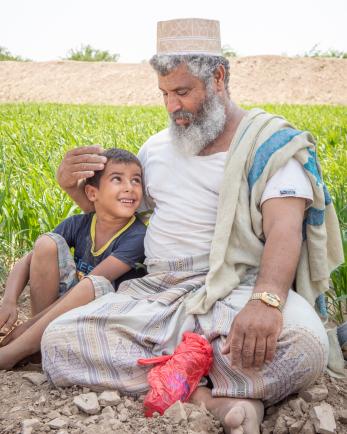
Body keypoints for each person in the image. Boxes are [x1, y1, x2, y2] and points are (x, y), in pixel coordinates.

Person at [36, 19, 343, 434]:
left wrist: (267, 302)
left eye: (182, 92)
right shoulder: (156, 149)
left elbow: (285, 230)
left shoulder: (267, 145)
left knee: (304, 347)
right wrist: (72, 189)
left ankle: (170, 378)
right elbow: (118, 213)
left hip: (237, 292)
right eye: (164, 94)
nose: (172, 106)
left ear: (217, 77)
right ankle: (210, 397)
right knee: (59, 342)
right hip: (159, 295)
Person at [0, 148, 146, 368]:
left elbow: (91, 286)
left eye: (136, 180)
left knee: (93, 283)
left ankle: (22, 348)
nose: (129, 187)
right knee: (46, 243)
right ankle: (38, 345)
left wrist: (24, 330)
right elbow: (29, 260)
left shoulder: (137, 235)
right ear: (92, 193)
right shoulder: (79, 223)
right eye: (117, 179)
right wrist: (9, 301)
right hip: (60, 311)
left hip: (100, 318)